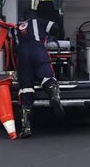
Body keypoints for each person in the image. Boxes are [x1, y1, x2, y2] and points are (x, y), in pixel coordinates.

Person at [12, 9, 65, 138]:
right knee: (47, 76)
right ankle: (53, 95)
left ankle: (26, 126)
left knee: (26, 88)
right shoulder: (39, 21)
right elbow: (55, 27)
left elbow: (12, 45)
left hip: (22, 55)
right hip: (38, 51)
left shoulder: (16, 27)